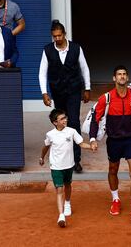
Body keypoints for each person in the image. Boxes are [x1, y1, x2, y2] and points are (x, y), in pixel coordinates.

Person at [89, 65, 131, 223]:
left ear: (128, 77)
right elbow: (95, 119)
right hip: (114, 140)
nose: (122, 77)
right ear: (114, 78)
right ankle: (116, 200)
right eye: (119, 74)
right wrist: (92, 139)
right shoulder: (107, 98)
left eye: (124, 74)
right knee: (113, 170)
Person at [38, 20, 91, 173]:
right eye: (54, 36)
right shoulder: (47, 50)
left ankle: (76, 160)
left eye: (60, 35)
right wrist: (44, 93)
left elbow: (84, 68)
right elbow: (42, 72)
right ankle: (63, 157)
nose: (57, 39)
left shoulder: (75, 48)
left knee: (73, 121)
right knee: (61, 123)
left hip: (74, 90)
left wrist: (87, 88)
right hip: (57, 91)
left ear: (64, 34)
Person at [39, 109, 92, 228]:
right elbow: (45, 147)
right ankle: (61, 215)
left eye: (65, 118)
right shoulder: (50, 134)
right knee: (59, 189)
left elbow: (81, 143)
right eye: (62, 119)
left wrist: (91, 147)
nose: (65, 120)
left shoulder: (72, 131)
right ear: (54, 122)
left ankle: (67, 203)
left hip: (69, 165)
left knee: (68, 185)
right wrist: (41, 158)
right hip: (56, 166)